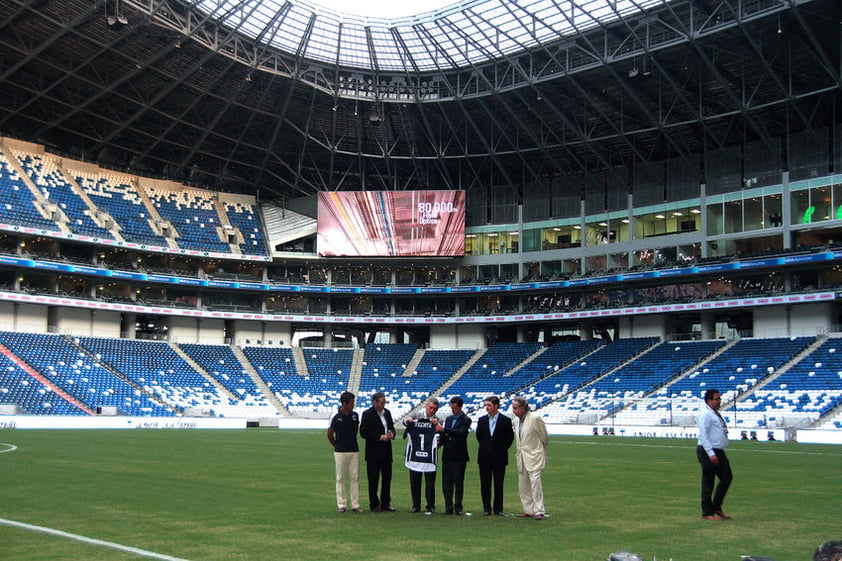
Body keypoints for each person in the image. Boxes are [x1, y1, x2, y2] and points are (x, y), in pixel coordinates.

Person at [696, 388, 733, 520]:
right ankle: (707, 512)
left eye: (719, 399)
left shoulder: (715, 414)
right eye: (716, 399)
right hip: (708, 450)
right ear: (709, 400)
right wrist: (711, 453)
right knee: (708, 481)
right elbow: (703, 435)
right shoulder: (705, 414)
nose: (719, 401)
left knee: (727, 477)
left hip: (718, 450)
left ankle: (716, 506)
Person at [475, 395, 514, 516]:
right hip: (484, 457)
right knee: (485, 483)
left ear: (496, 406)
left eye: (489, 405)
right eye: (486, 405)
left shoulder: (505, 421)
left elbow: (509, 438)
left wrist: (500, 449)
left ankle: (498, 508)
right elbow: (479, 436)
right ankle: (487, 508)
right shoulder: (482, 420)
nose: (487, 407)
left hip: (499, 457)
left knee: (498, 484)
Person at [403, 398, 443, 514]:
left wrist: (439, 429)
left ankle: (430, 505)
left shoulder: (438, 420)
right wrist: (409, 420)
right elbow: (406, 423)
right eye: (431, 408)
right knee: (415, 481)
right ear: (426, 406)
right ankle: (416, 505)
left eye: (435, 409)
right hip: (415, 455)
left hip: (429, 456)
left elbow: (441, 435)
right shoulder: (417, 416)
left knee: (430, 482)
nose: (432, 410)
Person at [512, 396, 549, 520]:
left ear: (523, 408)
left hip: (534, 456)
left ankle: (539, 510)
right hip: (521, 457)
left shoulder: (535, 418)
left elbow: (544, 437)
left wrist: (537, 450)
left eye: (515, 408)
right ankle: (528, 509)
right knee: (523, 486)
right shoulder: (516, 421)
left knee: (535, 485)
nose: (513, 410)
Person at [360, 391, 396, 512]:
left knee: (387, 479)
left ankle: (385, 502)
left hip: (386, 451)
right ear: (375, 402)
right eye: (382, 402)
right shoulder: (367, 414)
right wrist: (380, 437)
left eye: (384, 402)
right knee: (373, 480)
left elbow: (391, 427)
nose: (383, 405)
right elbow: (364, 432)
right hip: (373, 453)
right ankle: (374, 504)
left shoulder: (387, 413)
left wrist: (391, 433)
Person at [327, 391, 362, 513]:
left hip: (354, 450)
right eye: (351, 403)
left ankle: (355, 504)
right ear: (344, 403)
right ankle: (341, 504)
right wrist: (336, 445)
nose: (353, 405)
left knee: (355, 477)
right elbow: (330, 433)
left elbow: (356, 429)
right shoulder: (335, 416)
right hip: (340, 452)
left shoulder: (355, 415)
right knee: (340, 478)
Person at [440, 395, 472, 515]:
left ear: (460, 407)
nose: (453, 410)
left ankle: (458, 505)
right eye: (451, 408)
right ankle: (448, 505)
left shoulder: (466, 419)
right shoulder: (448, 419)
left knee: (458, 482)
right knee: (446, 482)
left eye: (455, 408)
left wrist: (445, 431)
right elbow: (445, 436)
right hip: (447, 455)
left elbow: (461, 433)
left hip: (459, 456)